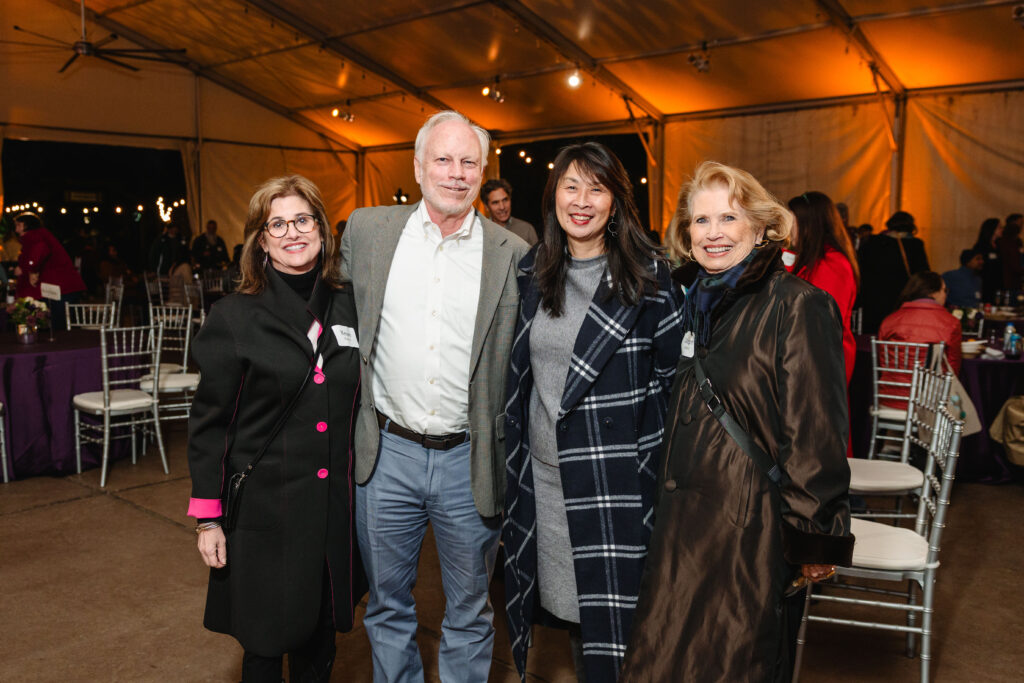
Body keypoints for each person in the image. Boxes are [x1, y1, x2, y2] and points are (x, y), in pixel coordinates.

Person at [620, 161, 853, 682]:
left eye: (728, 218)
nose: (713, 233)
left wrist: (815, 535)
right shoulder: (686, 301)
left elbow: (813, 431)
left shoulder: (797, 304)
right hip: (681, 524)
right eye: (700, 221)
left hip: (748, 529)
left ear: (761, 225)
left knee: (734, 663)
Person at [340, 111, 529, 682]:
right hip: (386, 453)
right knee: (388, 606)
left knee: (469, 612)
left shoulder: (513, 253)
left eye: (469, 162)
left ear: (483, 172)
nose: (455, 173)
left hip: (468, 460)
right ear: (418, 167)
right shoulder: (368, 231)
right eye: (442, 160)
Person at [502, 143, 683, 682]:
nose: (582, 201)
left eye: (597, 188)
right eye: (571, 186)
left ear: (616, 201)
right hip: (548, 483)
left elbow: (673, 386)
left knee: (619, 630)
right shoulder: (532, 269)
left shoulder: (651, 275)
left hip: (615, 484)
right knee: (576, 620)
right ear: (553, 194)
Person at [187, 175, 364, 682]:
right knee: (265, 646)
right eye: (277, 224)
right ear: (260, 239)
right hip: (265, 515)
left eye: (302, 220)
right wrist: (208, 516)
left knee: (319, 644)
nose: (293, 233)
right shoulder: (235, 316)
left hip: (333, 515)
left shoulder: (349, 302)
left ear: (322, 229)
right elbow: (209, 423)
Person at [786, 191, 859, 384]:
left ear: (809, 225)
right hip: (809, 357)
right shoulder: (812, 260)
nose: (789, 229)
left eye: (792, 222)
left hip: (821, 362)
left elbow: (820, 321)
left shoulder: (832, 264)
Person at [855, 210, 929, 334]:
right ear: (911, 226)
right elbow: (923, 273)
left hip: (873, 301)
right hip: (901, 300)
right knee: (898, 337)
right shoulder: (915, 245)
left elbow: (860, 269)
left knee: (872, 338)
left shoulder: (872, 242)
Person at [13, 211, 86, 331]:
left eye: (18, 225)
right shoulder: (40, 235)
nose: (16, 230)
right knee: (60, 325)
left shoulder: (35, 236)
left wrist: (30, 269)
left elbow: (40, 251)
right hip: (61, 286)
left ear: (26, 225)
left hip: (60, 287)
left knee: (59, 327)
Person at [879, 271, 962, 375]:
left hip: (891, 388)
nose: (946, 295)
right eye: (945, 290)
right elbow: (952, 370)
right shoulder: (951, 323)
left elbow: (882, 361)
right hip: (930, 390)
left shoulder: (889, 320)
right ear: (933, 293)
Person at [482, 178, 539, 245]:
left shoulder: (526, 230)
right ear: (486, 206)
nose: (502, 207)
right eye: (495, 202)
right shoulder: (480, 232)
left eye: (505, 200)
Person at [973, 217, 1004, 303]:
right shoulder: (981, 246)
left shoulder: (999, 246)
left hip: (997, 283)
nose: (1002, 230)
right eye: (999, 227)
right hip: (985, 284)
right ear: (992, 229)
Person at [997, 219, 1023, 297]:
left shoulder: (1004, 243)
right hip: (1010, 281)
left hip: (1010, 280)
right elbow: (1014, 264)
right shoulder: (1009, 245)